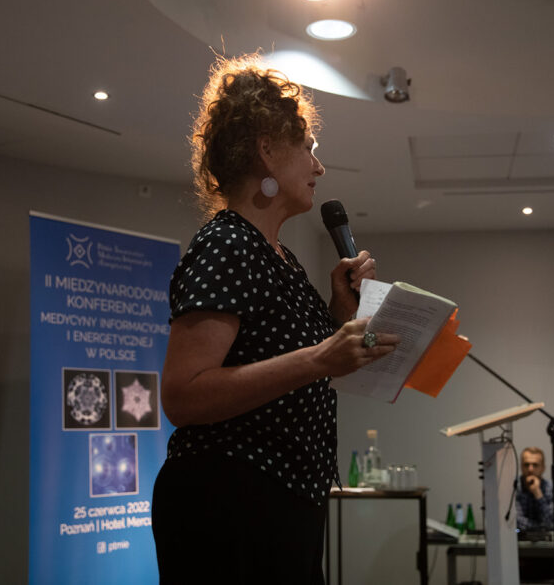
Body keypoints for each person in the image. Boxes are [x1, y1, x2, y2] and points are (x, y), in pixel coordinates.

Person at [151, 54, 399, 584]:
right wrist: (320, 357)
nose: (319, 167)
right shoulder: (227, 244)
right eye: (308, 147)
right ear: (266, 149)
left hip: (283, 501)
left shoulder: (278, 256)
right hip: (229, 505)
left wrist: (338, 313)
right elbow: (182, 395)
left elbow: (291, 366)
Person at [516, 446, 554, 534]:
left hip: (545, 541)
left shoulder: (551, 488)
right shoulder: (514, 487)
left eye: (535, 465)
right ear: (521, 467)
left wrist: (537, 493)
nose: (530, 469)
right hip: (518, 539)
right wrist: (541, 527)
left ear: (543, 468)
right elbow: (516, 522)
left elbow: (553, 524)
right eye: (526, 465)